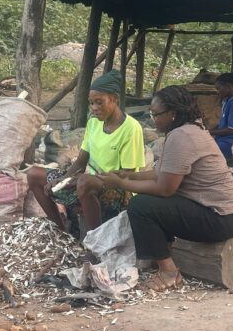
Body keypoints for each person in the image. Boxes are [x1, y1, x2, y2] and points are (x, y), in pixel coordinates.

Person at [97, 85, 233, 292]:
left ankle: (169, 272)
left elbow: (165, 189)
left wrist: (120, 184)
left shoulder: (182, 136)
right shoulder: (189, 130)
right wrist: (128, 175)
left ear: (173, 113)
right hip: (226, 215)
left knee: (140, 206)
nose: (153, 119)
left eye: (156, 115)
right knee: (150, 203)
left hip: (219, 218)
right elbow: (161, 173)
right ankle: (161, 254)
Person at [27, 70, 145, 235]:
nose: (94, 108)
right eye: (91, 103)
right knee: (34, 173)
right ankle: (61, 230)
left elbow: (127, 175)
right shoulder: (93, 123)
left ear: (114, 99)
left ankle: (96, 242)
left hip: (118, 191)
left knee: (83, 181)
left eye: (99, 102)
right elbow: (81, 161)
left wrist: (83, 179)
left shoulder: (131, 128)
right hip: (89, 182)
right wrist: (64, 178)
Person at [210, 72, 233, 165]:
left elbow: (232, 130)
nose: (217, 91)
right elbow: (222, 124)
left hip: (229, 144)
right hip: (222, 141)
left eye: (219, 88)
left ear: (228, 86)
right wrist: (208, 131)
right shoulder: (227, 101)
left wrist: (210, 132)